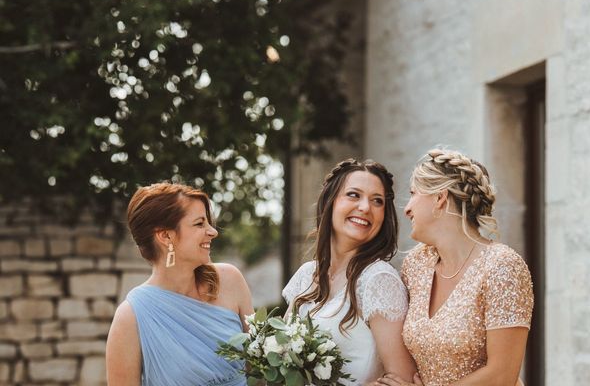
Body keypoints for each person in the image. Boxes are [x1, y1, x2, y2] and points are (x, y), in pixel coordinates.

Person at [376, 149, 534, 386]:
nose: (407, 208)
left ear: (440, 198)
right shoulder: (416, 264)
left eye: (413, 194)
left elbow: (502, 375)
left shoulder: (502, 266)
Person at [283, 159, 417, 385]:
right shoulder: (306, 275)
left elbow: (401, 378)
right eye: (354, 195)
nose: (365, 207)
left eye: (377, 201)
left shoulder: (378, 279)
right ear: (330, 202)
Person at [106, 183, 253, 386]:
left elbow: (259, 371)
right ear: (166, 236)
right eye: (199, 224)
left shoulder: (230, 280)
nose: (213, 232)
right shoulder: (130, 317)